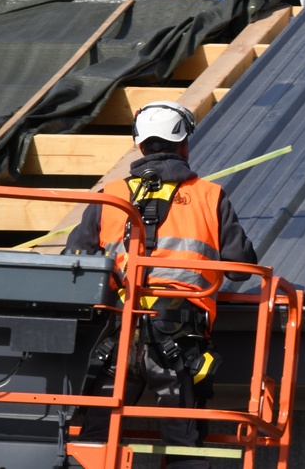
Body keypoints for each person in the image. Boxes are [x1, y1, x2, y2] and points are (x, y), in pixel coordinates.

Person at [65, 100, 257, 469]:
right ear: (184, 143)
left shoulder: (110, 195)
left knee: (94, 438)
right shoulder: (209, 195)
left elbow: (76, 261)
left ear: (140, 145)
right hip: (180, 340)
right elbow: (241, 269)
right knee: (184, 444)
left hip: (118, 336)